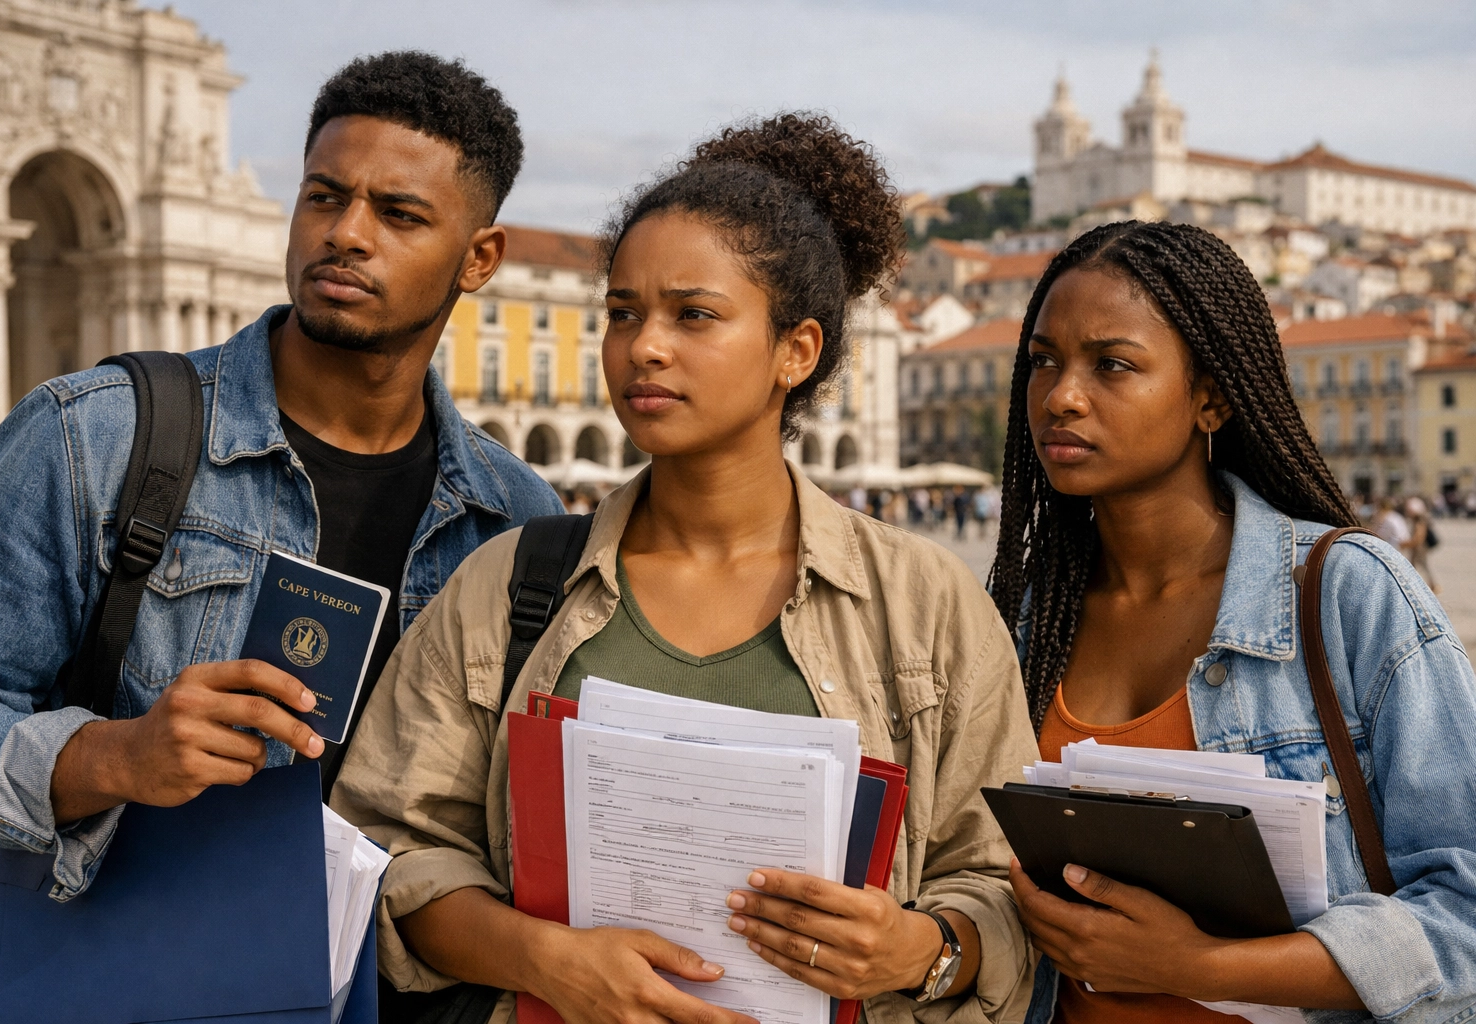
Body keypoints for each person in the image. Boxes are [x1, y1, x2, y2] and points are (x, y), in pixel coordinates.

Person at [332, 114, 1040, 1024]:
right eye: (622, 313)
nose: (645, 347)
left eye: (693, 315)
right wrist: (546, 959)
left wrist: (922, 951)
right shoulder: (507, 585)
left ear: (797, 351)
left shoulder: (927, 603)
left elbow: (1001, 884)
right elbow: (389, 851)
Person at [0, 51, 561, 910]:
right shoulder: (90, 435)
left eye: (399, 214)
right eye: (324, 197)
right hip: (120, 949)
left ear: (479, 257)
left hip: (385, 968)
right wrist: (112, 757)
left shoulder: (517, 520)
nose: (346, 233)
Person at [987, 220, 1476, 1023]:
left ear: (1209, 398)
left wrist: (1202, 967)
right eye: (1043, 360)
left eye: (1113, 364)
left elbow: (1465, 909)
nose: (1061, 396)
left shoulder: (1348, 593)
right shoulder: (1023, 616)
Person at [1401, 496, 1440, 594]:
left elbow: (1418, 538)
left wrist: (1407, 544)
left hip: (1420, 548)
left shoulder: (1419, 522)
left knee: (1422, 565)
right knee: (1415, 565)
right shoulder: (1416, 521)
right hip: (1417, 548)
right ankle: (1414, 585)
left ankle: (1433, 585)